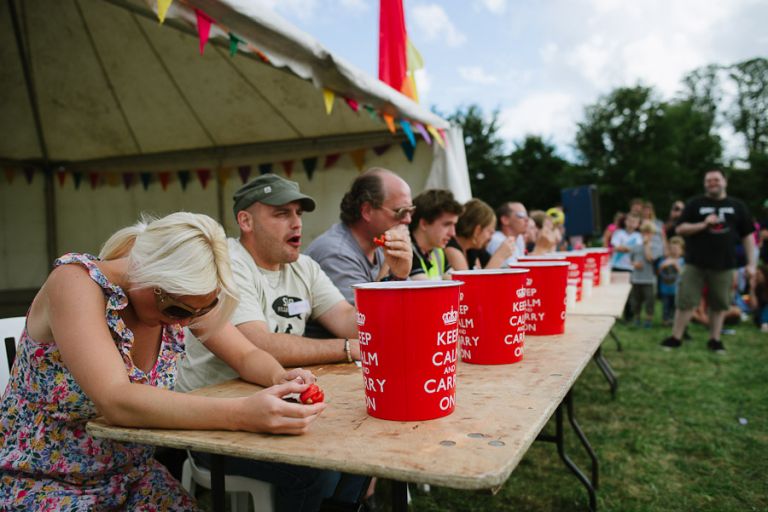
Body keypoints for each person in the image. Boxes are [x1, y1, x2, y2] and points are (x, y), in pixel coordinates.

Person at [0, 213, 322, 510]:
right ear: (145, 275)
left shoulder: (178, 298)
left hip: (131, 477)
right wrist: (242, 414)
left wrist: (280, 377)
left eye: (201, 311)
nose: (185, 324)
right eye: (178, 311)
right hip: (44, 481)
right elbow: (116, 400)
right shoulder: (75, 283)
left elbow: (245, 354)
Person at [176, 174, 365, 511]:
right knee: (318, 470)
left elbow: (349, 321)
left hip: (277, 402)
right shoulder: (227, 263)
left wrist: (394, 280)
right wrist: (347, 349)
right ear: (245, 221)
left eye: (298, 213)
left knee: (359, 450)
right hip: (212, 425)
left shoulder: (304, 266)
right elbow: (258, 343)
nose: (296, 223)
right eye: (281, 213)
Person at [661, 169, 756, 353]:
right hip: (695, 263)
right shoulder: (695, 204)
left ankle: (715, 339)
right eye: (708, 180)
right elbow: (680, 229)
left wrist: (751, 263)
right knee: (685, 300)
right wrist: (703, 224)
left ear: (725, 182)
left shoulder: (737, 206)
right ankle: (676, 337)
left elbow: (748, 236)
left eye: (716, 180)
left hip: (724, 264)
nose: (712, 183)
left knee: (719, 304)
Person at [305, 168, 413, 305]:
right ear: (367, 211)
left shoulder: (380, 246)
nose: (408, 219)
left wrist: (400, 275)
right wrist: (395, 274)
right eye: (401, 211)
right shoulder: (336, 253)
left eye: (411, 211)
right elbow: (364, 315)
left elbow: (409, 305)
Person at [445, 198, 516, 270]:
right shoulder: (452, 249)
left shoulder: (473, 248)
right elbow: (471, 278)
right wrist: (499, 257)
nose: (490, 238)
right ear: (477, 230)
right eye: (490, 232)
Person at [408, 189, 464, 280]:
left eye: (454, 225)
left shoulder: (437, 251)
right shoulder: (406, 252)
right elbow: (425, 287)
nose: (453, 233)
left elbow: (454, 283)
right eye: (447, 224)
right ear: (424, 224)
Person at [630, 221, 658, 328]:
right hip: (636, 278)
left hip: (649, 279)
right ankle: (637, 318)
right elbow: (630, 260)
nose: (646, 234)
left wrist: (646, 245)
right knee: (636, 301)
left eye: (649, 232)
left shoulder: (655, 247)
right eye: (644, 232)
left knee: (650, 301)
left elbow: (650, 258)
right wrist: (635, 264)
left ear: (653, 234)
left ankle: (648, 320)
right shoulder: (636, 246)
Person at [658, 236, 685, 326]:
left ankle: (674, 320)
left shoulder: (682, 261)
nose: (674, 251)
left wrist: (676, 265)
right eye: (672, 248)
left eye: (677, 249)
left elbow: (683, 273)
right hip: (665, 289)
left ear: (682, 250)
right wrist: (663, 265)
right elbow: (658, 272)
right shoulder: (664, 260)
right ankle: (665, 320)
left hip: (677, 290)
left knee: (675, 307)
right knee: (666, 306)